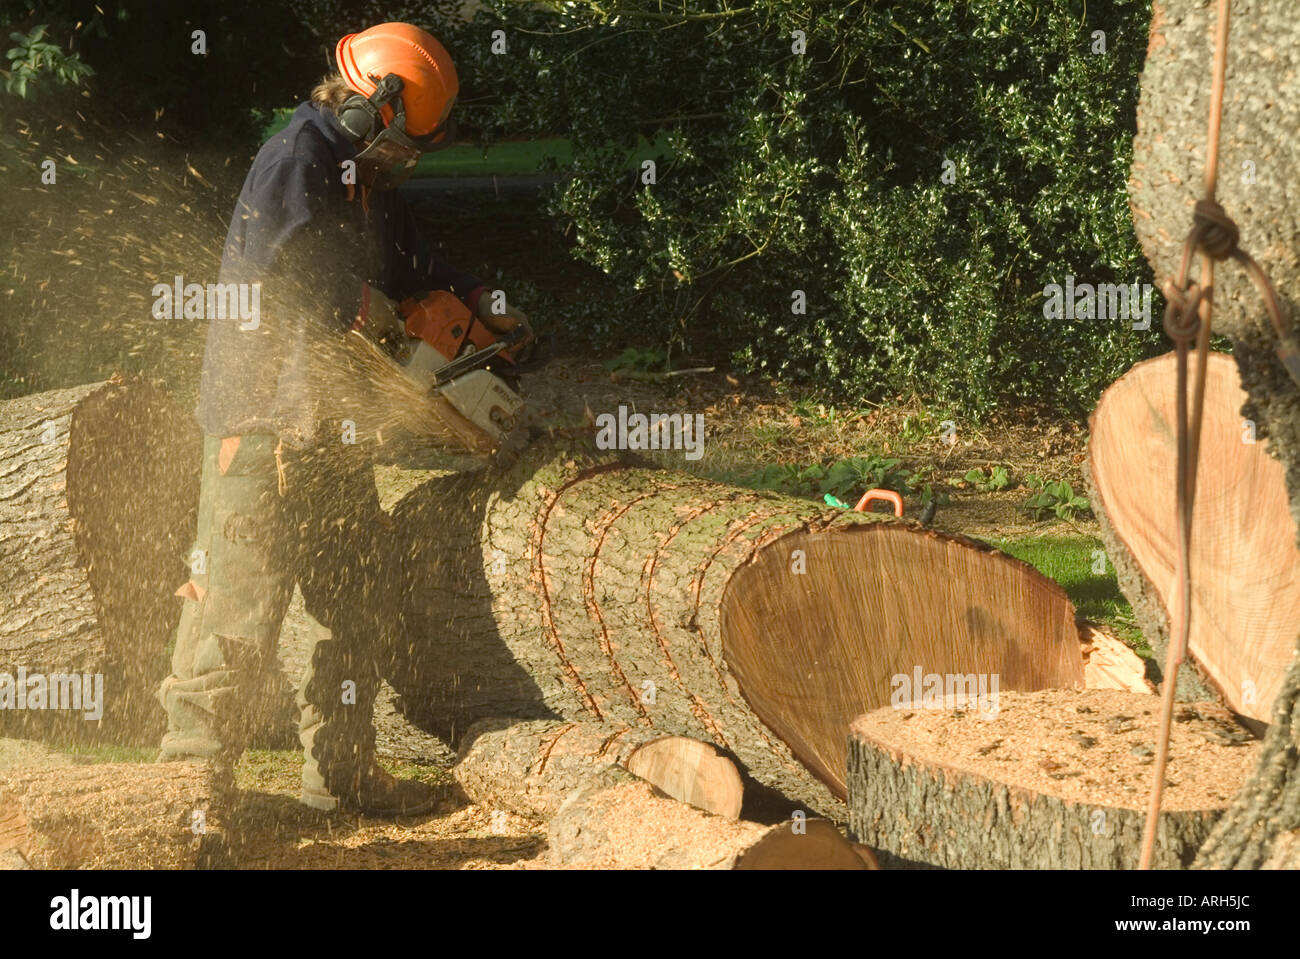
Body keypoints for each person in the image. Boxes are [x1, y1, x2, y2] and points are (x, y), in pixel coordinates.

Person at [157, 22, 527, 816]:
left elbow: (417, 269)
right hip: (260, 425)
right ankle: (186, 791)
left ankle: (341, 774)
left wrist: (485, 308)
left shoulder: (367, 182)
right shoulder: (296, 159)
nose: (409, 158)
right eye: (405, 139)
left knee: (360, 604)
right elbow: (278, 275)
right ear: (372, 108)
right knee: (234, 614)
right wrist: (371, 309)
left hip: (333, 428)